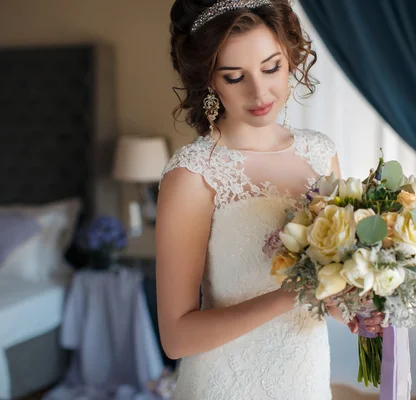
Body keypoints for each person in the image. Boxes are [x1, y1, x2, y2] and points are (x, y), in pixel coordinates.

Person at [155, 0, 384, 398]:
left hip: (305, 378)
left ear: (290, 57)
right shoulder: (193, 175)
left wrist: (354, 305)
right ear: (209, 80)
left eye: (271, 68)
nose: (259, 91)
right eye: (234, 76)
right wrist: (291, 294)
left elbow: (326, 282)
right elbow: (176, 337)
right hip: (226, 385)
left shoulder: (319, 153)